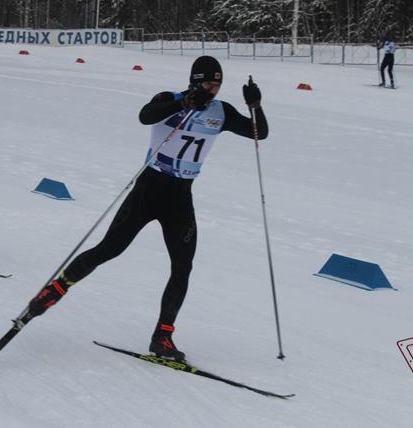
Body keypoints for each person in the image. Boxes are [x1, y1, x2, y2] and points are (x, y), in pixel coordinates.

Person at [26, 55, 269, 362]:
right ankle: (55, 290)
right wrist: (183, 103)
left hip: (180, 196)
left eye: (218, 84)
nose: (214, 89)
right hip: (149, 189)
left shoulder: (222, 112)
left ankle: (163, 337)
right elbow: (146, 115)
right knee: (109, 249)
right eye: (208, 83)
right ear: (195, 81)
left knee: (183, 267)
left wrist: (255, 106)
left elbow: (259, 133)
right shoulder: (171, 99)